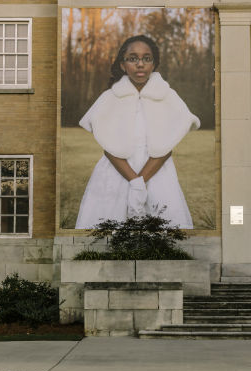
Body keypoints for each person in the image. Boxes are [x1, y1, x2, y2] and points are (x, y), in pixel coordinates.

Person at [75, 35, 200, 229]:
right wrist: (134, 182)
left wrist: (142, 182)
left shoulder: (168, 97)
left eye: (146, 58)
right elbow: (108, 145)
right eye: (133, 58)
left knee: (161, 232)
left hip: (157, 172)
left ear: (154, 64)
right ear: (123, 65)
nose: (140, 64)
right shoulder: (109, 98)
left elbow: (167, 144)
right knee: (108, 230)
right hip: (116, 172)